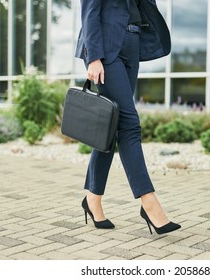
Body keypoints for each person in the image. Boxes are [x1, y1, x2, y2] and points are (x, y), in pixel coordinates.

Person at [75, 0, 181, 234]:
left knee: (111, 127)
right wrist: (93, 56)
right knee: (129, 125)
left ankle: (92, 199)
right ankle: (149, 202)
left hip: (131, 42)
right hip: (105, 47)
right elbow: (90, 9)